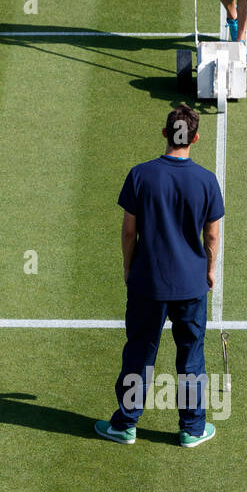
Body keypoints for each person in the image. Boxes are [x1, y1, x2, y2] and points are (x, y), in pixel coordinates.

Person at [95, 106, 223, 447]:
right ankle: (192, 429)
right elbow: (212, 235)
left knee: (140, 351)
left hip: (147, 283)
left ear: (165, 133)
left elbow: (128, 232)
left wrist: (128, 266)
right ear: (194, 137)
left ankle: (125, 424)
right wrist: (210, 269)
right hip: (191, 286)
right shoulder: (207, 181)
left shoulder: (140, 175)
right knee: (191, 356)